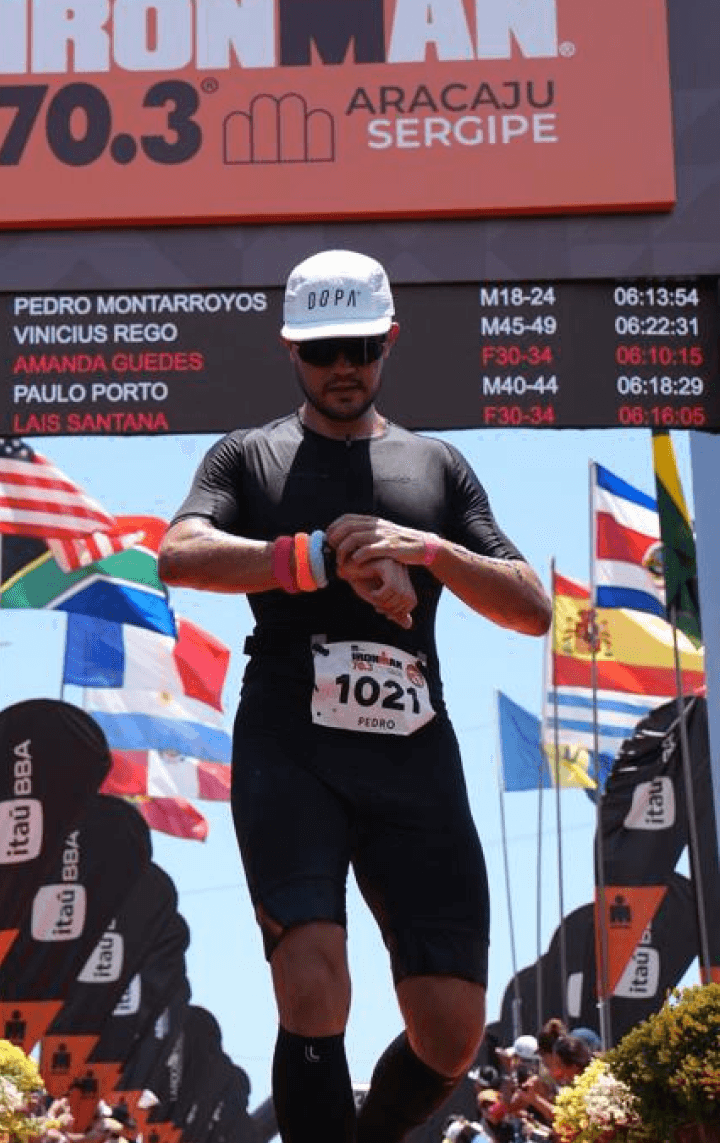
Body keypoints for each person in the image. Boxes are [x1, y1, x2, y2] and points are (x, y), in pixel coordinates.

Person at [158, 250, 552, 1143]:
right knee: (311, 985)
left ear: (389, 345)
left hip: (413, 755)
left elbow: (532, 609)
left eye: (362, 349)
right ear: (292, 351)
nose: (344, 369)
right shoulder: (249, 454)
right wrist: (308, 557)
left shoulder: (437, 466)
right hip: (290, 746)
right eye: (323, 351)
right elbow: (178, 554)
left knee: (451, 1035)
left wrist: (427, 551)